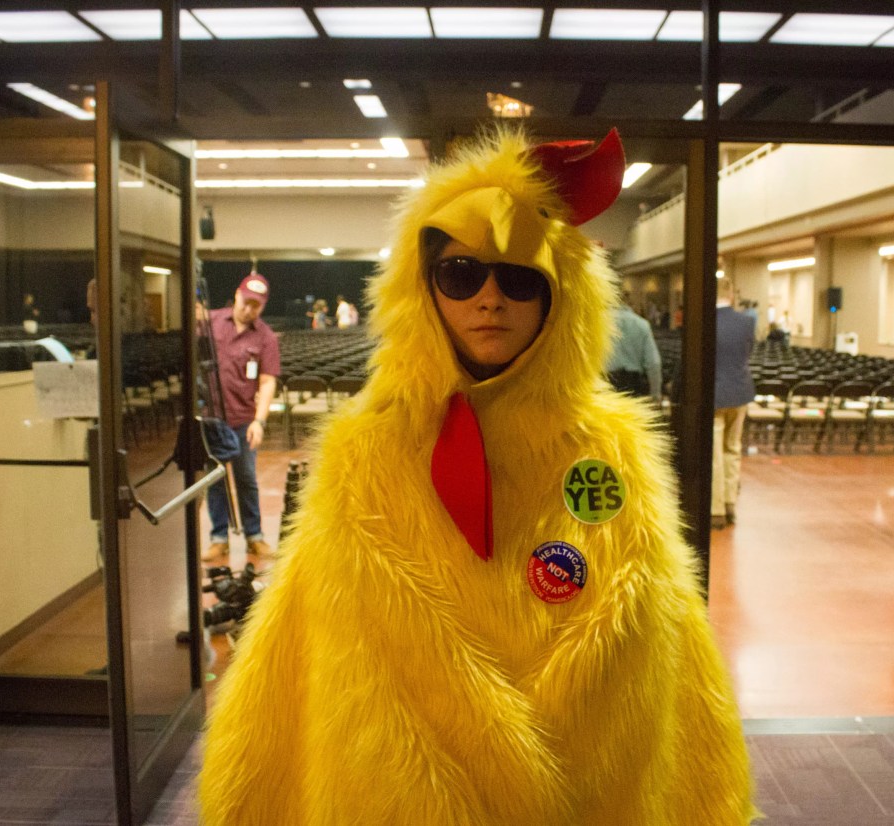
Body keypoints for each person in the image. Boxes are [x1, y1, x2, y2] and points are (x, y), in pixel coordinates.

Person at [200, 128, 753, 824]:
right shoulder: (367, 450)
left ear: (560, 297)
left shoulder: (611, 449)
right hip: (404, 788)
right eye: (461, 275)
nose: (490, 300)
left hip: (582, 787)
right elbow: (299, 637)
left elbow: (662, 631)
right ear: (422, 289)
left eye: (519, 279)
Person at [202, 272, 280, 562]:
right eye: (245, 302)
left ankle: (254, 535)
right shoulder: (209, 322)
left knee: (246, 478)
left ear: (263, 306)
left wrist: (260, 421)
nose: (248, 309)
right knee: (215, 478)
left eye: (255, 305)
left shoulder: (265, 337)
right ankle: (218, 538)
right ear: (236, 295)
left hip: (244, 419)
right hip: (212, 419)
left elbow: (267, 381)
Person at [711, 276, 757, 530]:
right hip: (740, 391)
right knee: (733, 448)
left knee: (715, 453)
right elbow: (748, 354)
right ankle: (730, 504)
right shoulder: (747, 321)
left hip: (715, 394)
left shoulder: (707, 321)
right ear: (731, 295)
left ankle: (715, 509)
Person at [605, 291, 662, 405]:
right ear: (629, 303)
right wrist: (655, 395)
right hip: (632, 385)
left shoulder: (601, 324)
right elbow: (653, 363)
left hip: (606, 384)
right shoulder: (642, 324)